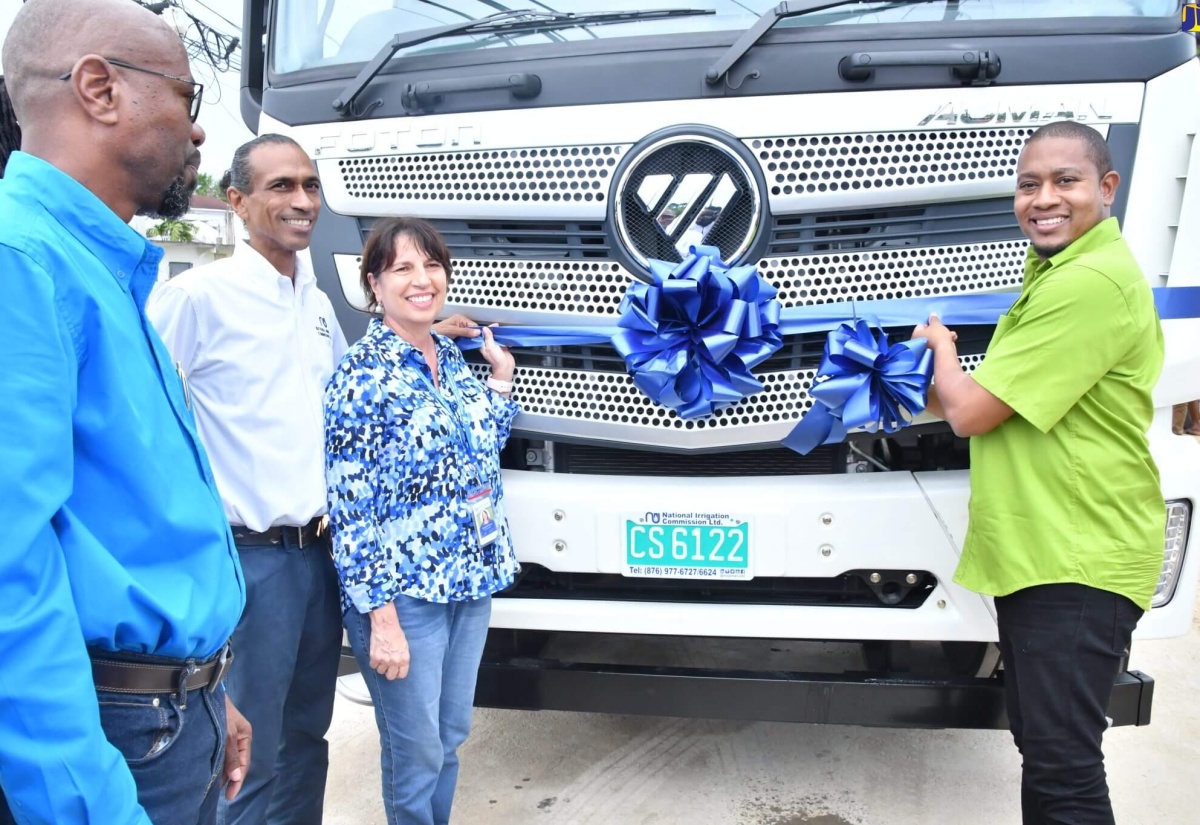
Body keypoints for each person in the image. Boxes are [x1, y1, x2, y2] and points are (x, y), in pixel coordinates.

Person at [0, 1, 252, 824]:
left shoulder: (97, 264)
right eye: (187, 95)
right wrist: (88, 802)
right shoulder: (21, 262)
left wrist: (208, 686)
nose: (199, 133)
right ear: (99, 89)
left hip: (169, 715)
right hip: (113, 745)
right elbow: (9, 574)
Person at [912, 120, 1164, 824]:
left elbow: (967, 412)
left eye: (1065, 181)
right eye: (1029, 184)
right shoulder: (1057, 278)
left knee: (1064, 769)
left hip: (1078, 557)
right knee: (1047, 747)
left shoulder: (1088, 284)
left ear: (1107, 188)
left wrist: (938, 347)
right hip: (1049, 554)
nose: (1043, 198)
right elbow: (982, 400)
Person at [146, 134, 345, 825]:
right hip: (247, 562)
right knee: (247, 756)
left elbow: (352, 393)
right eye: (281, 186)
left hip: (318, 561)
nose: (301, 200)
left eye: (310, 186)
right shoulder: (198, 297)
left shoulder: (315, 304)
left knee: (307, 744)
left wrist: (426, 328)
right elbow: (143, 417)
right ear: (236, 201)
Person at [324, 217, 519, 825]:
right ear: (374, 285)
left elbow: (479, 445)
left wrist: (500, 380)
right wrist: (379, 618)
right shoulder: (361, 377)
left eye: (431, 265)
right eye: (402, 268)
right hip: (405, 599)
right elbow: (348, 507)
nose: (421, 279)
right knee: (415, 754)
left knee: (450, 737)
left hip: (469, 584)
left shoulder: (447, 360)